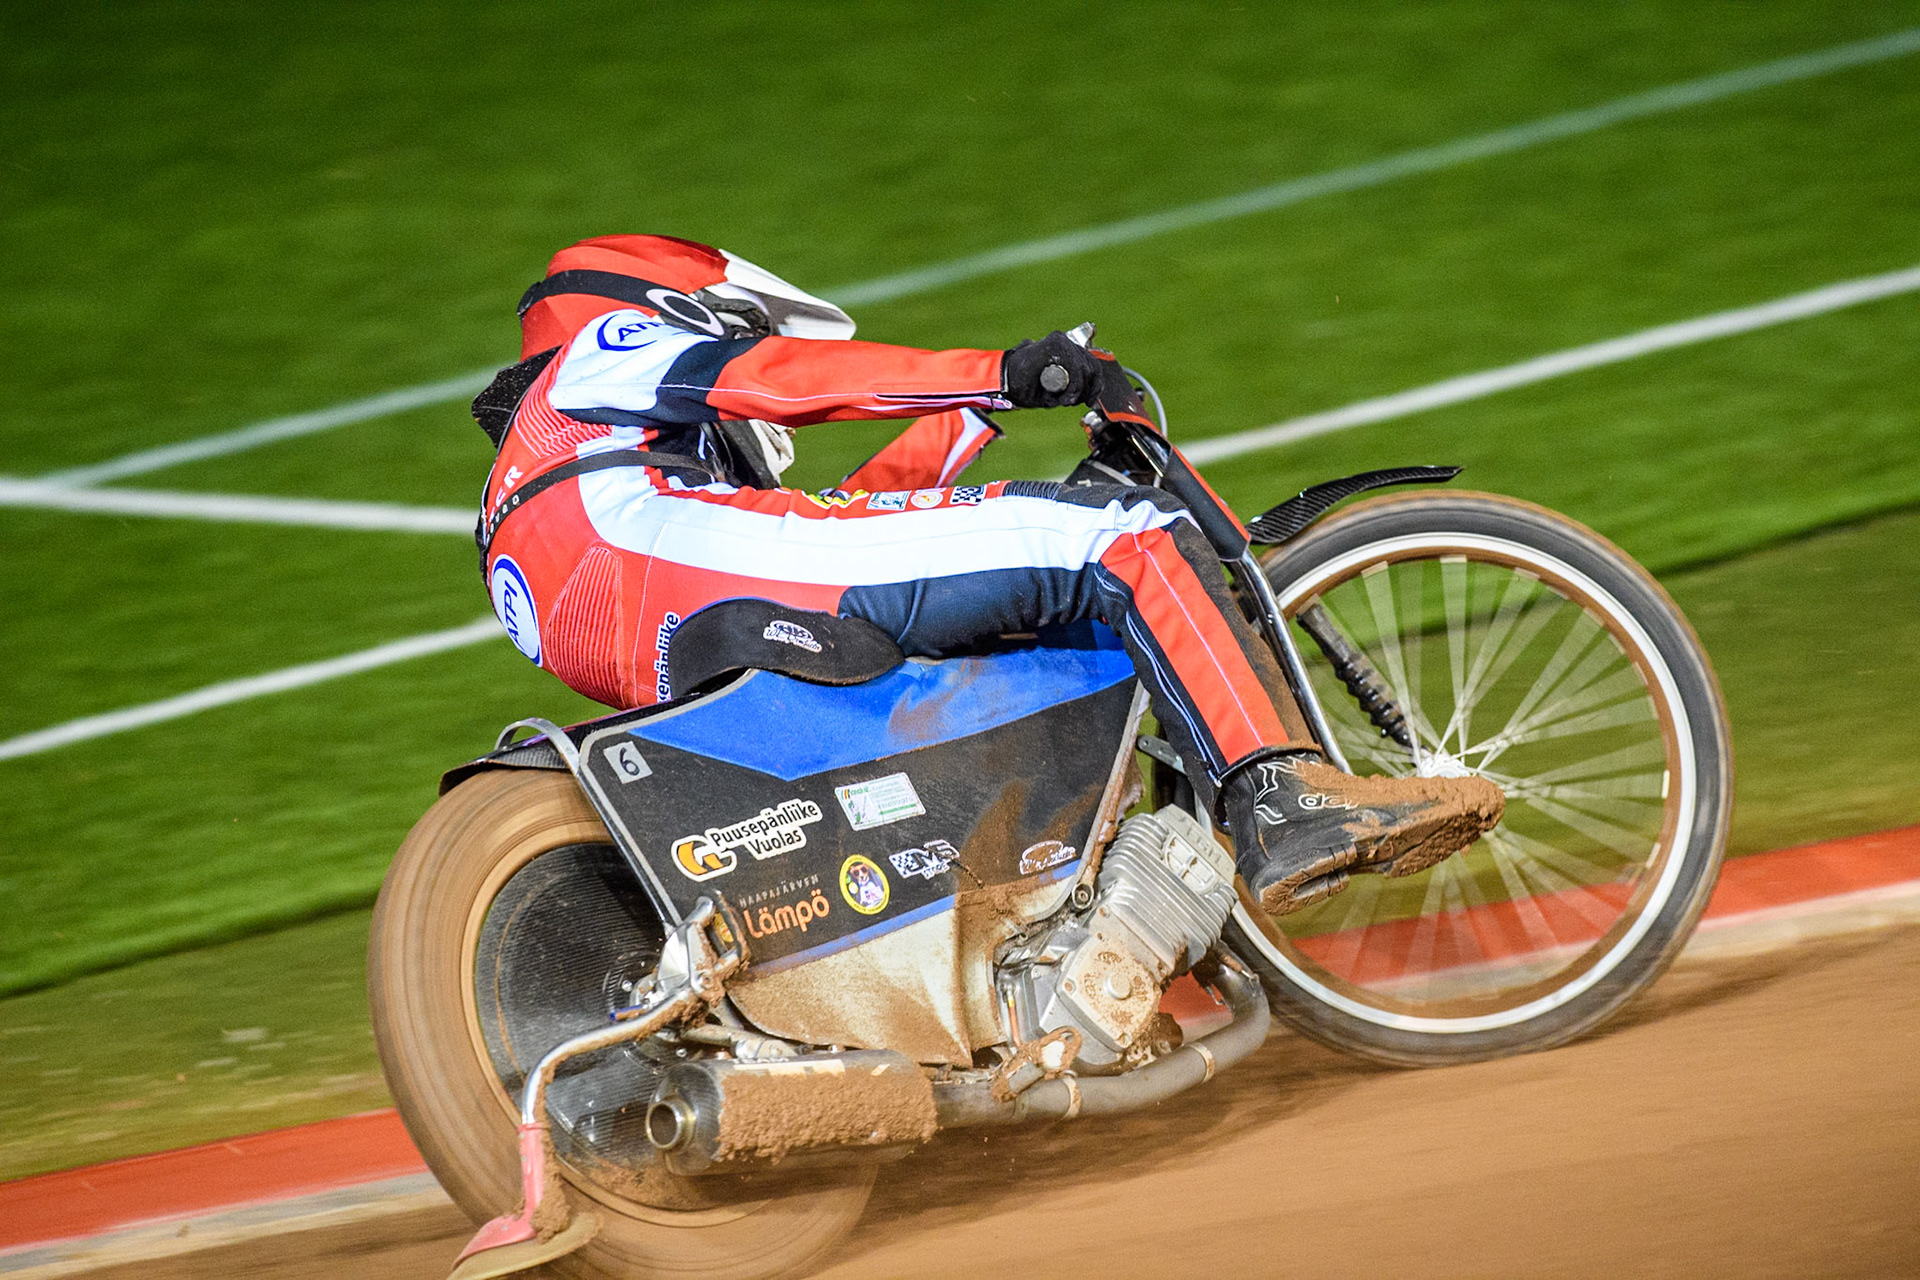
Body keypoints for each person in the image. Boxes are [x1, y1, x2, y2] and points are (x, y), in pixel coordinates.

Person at [471, 234, 1501, 916]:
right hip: (715, 580)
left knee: (1011, 602)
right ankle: (1278, 801)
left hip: (714, 623)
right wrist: (999, 368)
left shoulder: (547, 491)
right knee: (1120, 535)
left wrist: (965, 419)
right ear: (660, 305)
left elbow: (831, 538)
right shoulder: (600, 353)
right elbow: (778, 383)